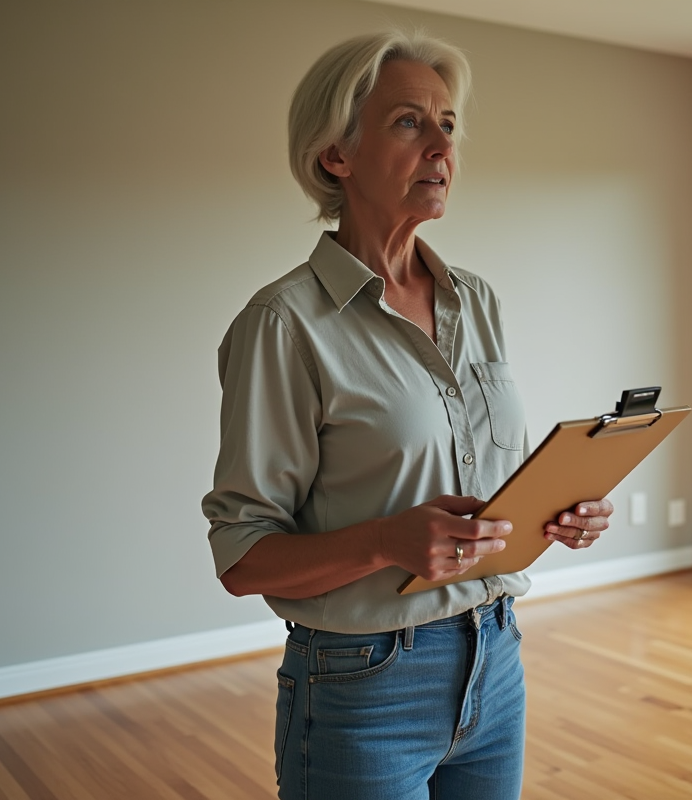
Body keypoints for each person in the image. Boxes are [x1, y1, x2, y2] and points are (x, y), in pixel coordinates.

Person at [201, 30, 613, 800]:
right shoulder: (285, 325)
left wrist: (555, 513)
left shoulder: (478, 301)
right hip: (362, 686)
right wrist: (390, 541)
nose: (440, 147)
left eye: (448, 126)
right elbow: (242, 556)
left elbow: (485, 494)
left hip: (496, 659)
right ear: (336, 156)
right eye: (408, 123)